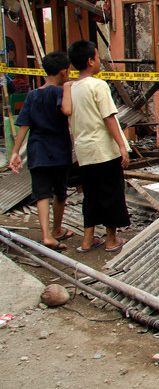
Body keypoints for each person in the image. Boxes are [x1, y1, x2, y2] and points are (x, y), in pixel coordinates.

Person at [63, 40, 130, 253]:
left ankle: (87, 239)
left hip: (84, 152)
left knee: (90, 196)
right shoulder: (98, 85)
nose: (100, 60)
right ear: (90, 61)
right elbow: (109, 117)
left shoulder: (73, 88)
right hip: (103, 150)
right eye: (98, 57)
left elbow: (68, 115)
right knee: (111, 194)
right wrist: (121, 146)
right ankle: (111, 240)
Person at [8, 51, 74, 251]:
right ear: (63, 72)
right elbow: (69, 112)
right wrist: (69, 88)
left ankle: (46, 235)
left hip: (37, 150)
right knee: (60, 192)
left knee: (42, 193)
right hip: (59, 150)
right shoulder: (62, 93)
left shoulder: (33, 95)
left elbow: (24, 125)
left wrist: (15, 152)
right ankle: (56, 230)